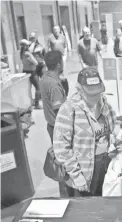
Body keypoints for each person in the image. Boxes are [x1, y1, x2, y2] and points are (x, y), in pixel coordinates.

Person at [53, 67, 117, 197]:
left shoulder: (104, 104)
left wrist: (113, 141)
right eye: (91, 94)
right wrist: (77, 175)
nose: (96, 97)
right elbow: (61, 147)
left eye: (98, 92)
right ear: (80, 89)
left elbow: (110, 130)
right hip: (83, 172)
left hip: (104, 165)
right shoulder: (69, 109)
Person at [39, 50, 68, 197]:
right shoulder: (54, 85)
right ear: (58, 64)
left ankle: (64, 191)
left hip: (51, 126)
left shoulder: (44, 78)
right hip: (59, 129)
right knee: (64, 163)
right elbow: (59, 111)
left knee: (60, 160)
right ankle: (66, 194)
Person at [20, 39, 40, 109]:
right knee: (38, 87)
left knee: (28, 89)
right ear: (26, 46)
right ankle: (37, 104)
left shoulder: (21, 53)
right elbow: (36, 63)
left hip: (25, 72)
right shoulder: (28, 53)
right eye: (28, 45)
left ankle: (30, 103)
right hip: (32, 72)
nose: (29, 46)